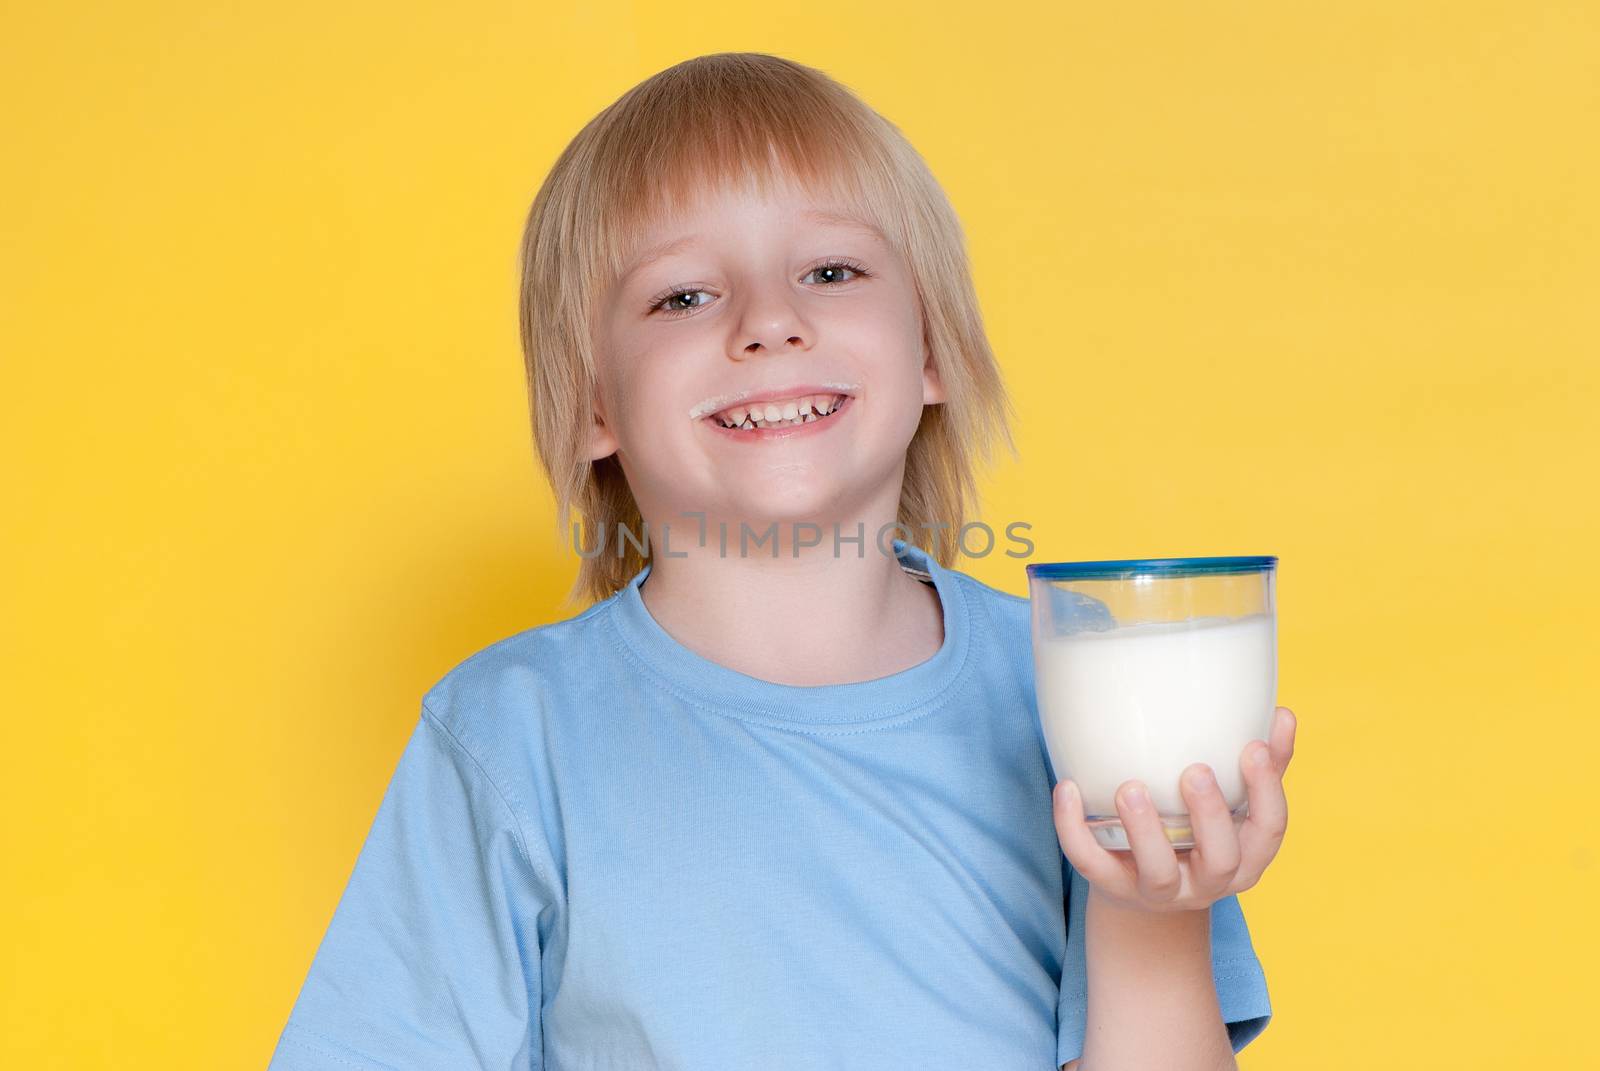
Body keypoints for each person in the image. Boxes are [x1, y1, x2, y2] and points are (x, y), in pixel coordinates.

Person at [267, 51, 1295, 1071]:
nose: (769, 322)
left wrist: (1151, 906)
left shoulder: (1073, 680)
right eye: (680, 297)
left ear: (931, 348)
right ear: (592, 404)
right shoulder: (509, 735)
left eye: (830, 272)